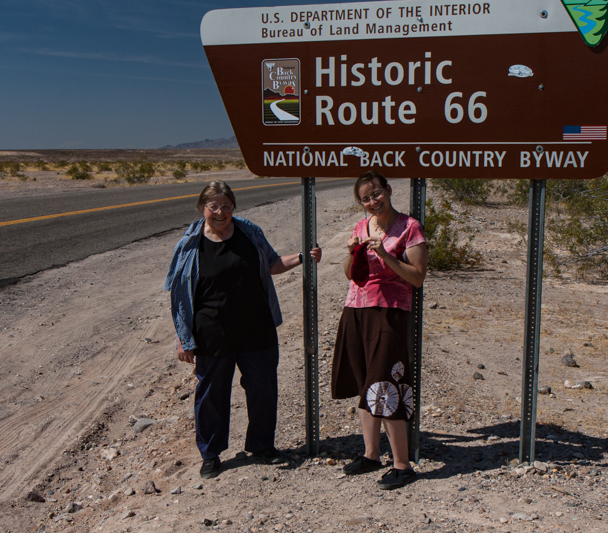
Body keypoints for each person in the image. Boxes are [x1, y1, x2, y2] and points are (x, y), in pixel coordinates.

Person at [165, 181, 322, 479]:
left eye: (226, 205)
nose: (220, 212)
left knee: (263, 389)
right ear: (203, 209)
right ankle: (210, 453)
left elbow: (273, 263)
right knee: (211, 394)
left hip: (257, 328)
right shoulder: (190, 244)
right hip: (212, 332)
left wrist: (303, 258)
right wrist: (183, 337)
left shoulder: (249, 233)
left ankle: (262, 446)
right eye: (214, 206)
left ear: (233, 207)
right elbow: (180, 294)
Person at [331, 171, 428, 490]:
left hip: (390, 312)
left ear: (388, 190)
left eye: (376, 194)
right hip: (356, 310)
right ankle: (371, 454)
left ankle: (402, 464)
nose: (373, 201)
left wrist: (385, 254)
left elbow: (417, 277)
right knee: (365, 381)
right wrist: (352, 252)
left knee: (385, 382)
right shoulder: (362, 226)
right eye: (366, 198)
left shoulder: (410, 227)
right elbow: (350, 274)